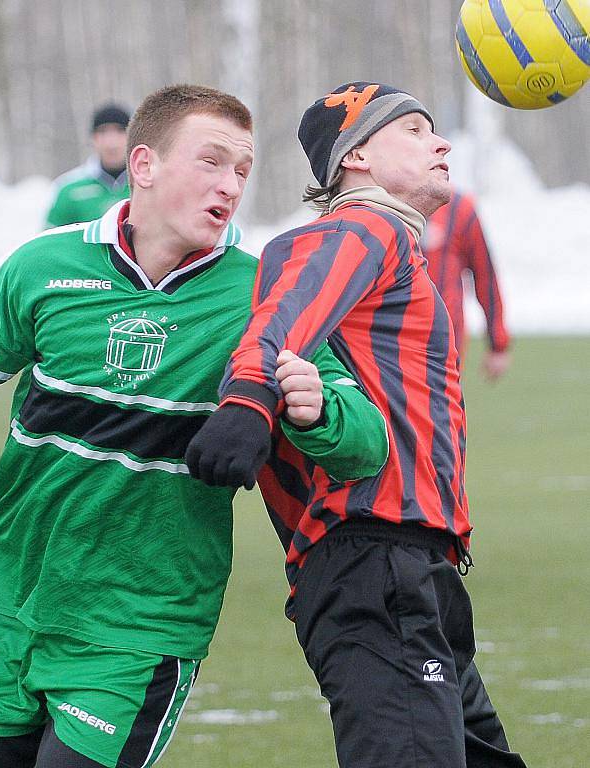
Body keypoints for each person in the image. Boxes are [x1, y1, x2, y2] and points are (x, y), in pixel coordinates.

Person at [0, 84, 388, 768]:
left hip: (138, 631)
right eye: (212, 161)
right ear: (143, 165)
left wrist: (317, 409)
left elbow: (363, 443)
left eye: (242, 171)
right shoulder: (42, 266)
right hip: (4, 603)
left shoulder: (266, 297)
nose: (229, 184)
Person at [186, 82, 527, 768]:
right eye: (415, 130)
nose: (440, 143)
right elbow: (279, 323)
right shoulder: (354, 230)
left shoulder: (390, 245)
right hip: (373, 564)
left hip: (411, 570)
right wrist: (248, 400)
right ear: (356, 157)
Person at [424, 188, 511, 379]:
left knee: (440, 404)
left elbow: (485, 275)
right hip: (388, 338)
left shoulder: (459, 208)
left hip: (444, 339)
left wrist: (498, 342)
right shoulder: (380, 204)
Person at [45, 103, 131, 227]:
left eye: (120, 130)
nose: (112, 142)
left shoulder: (148, 184)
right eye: (103, 132)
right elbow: (49, 240)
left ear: (132, 136)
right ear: (93, 138)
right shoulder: (69, 188)